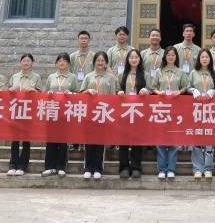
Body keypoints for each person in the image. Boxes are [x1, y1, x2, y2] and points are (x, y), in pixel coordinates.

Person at [151, 46, 188, 179]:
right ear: (165, 57)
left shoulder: (180, 72)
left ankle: (171, 169)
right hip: (161, 109)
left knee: (173, 139)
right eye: (168, 55)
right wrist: (158, 92)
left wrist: (180, 91)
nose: (171, 57)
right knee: (161, 140)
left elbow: (186, 86)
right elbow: (153, 87)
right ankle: (162, 169)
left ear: (176, 57)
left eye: (173, 55)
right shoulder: (159, 71)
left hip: (175, 109)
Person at [80, 51, 118, 180]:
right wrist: (88, 91)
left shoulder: (111, 78)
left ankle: (98, 168)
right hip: (90, 113)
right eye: (98, 60)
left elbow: (113, 96)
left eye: (102, 61)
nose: (100, 63)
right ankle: (88, 168)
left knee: (100, 142)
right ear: (94, 62)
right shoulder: (88, 76)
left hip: (103, 113)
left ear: (106, 63)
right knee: (89, 141)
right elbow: (80, 94)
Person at [7, 52, 42, 176]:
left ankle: (22, 166)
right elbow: (7, 92)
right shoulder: (15, 76)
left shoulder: (36, 77)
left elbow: (40, 94)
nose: (26, 63)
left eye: (28, 61)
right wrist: (10, 90)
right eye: (24, 61)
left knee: (26, 140)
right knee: (15, 139)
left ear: (32, 63)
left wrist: (34, 91)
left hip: (29, 110)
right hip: (16, 109)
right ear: (20, 63)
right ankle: (13, 164)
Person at [43, 53, 78, 177]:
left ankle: (61, 166)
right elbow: (45, 92)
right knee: (51, 139)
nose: (62, 63)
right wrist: (49, 93)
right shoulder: (51, 77)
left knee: (63, 140)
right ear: (56, 63)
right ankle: (50, 166)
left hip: (65, 111)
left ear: (68, 63)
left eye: (65, 61)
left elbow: (77, 93)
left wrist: (71, 94)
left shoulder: (72, 77)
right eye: (60, 61)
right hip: (52, 110)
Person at [117, 48, 149, 179]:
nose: (134, 59)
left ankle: (136, 167)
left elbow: (151, 88)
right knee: (123, 139)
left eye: (136, 57)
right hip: (124, 112)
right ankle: (124, 167)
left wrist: (146, 91)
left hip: (139, 112)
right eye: (131, 57)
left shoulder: (145, 74)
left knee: (137, 139)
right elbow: (117, 89)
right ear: (127, 60)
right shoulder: (122, 74)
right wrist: (119, 92)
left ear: (140, 59)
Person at [189, 49, 215, 178]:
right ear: (199, 59)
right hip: (196, 109)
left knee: (209, 139)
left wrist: (212, 92)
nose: (205, 59)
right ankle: (197, 168)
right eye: (202, 57)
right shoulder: (193, 73)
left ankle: (208, 168)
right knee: (197, 138)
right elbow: (187, 87)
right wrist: (193, 90)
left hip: (210, 110)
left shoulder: (214, 73)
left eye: (207, 57)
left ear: (210, 59)